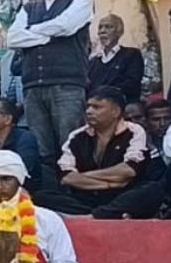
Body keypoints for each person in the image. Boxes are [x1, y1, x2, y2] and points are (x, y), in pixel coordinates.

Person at [7, 0, 94, 182]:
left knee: (71, 144)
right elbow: (12, 39)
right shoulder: (28, 8)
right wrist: (49, 33)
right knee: (41, 148)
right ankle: (50, 196)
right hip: (33, 87)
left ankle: (75, 197)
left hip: (67, 85)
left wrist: (32, 32)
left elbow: (66, 26)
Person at [34, 87, 164, 219]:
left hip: (122, 195)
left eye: (96, 107)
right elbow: (67, 177)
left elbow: (128, 171)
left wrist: (83, 176)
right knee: (41, 197)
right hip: (87, 198)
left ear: (115, 111)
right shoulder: (77, 136)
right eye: (88, 106)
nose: (89, 111)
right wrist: (111, 183)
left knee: (153, 190)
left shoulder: (134, 131)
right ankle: (104, 215)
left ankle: (91, 217)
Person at [87, 14, 144, 102]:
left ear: (119, 32)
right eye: (100, 27)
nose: (102, 31)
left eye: (108, 27)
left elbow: (131, 84)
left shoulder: (131, 55)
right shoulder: (93, 62)